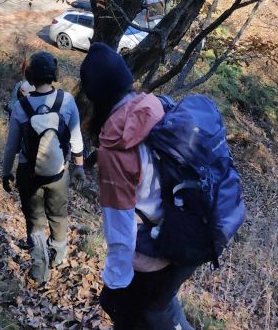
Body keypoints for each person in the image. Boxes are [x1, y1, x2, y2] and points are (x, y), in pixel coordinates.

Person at [80, 42, 196, 330]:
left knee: (131, 315)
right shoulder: (156, 108)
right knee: (160, 307)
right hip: (187, 236)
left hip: (152, 258)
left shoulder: (117, 147)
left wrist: (115, 283)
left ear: (95, 97)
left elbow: (120, 230)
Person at [2, 50, 85, 283]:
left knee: (34, 219)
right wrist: (79, 166)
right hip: (58, 173)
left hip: (29, 173)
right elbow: (77, 138)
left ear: (29, 76)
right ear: (54, 74)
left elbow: (11, 146)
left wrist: (6, 171)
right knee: (58, 214)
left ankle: (40, 267)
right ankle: (58, 256)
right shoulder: (67, 101)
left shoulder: (21, 106)